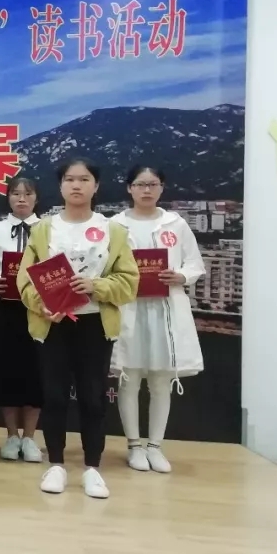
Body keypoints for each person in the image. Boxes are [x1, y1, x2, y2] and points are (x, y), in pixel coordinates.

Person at [18, 158, 139, 499]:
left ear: (95, 186)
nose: (76, 185)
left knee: (93, 398)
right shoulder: (43, 229)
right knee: (54, 396)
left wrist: (96, 286)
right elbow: (25, 279)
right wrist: (40, 304)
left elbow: (129, 282)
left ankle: (92, 468)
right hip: (53, 324)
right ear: (60, 186)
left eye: (84, 179)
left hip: (94, 324)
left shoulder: (114, 230)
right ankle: (56, 464)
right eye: (70, 179)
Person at [112, 165, 204, 474]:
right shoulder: (116, 225)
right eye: (140, 184)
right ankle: (134, 446)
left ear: (162, 188)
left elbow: (195, 263)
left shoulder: (175, 223)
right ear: (129, 188)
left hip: (165, 308)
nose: (146, 190)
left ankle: (155, 446)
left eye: (153, 184)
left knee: (161, 381)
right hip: (129, 309)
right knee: (129, 378)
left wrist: (181, 276)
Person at [0, 177, 44, 463]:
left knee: (36, 370)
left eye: (27, 194)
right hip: (3, 306)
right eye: (15, 193)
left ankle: (30, 437)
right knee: (5, 369)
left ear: (36, 198)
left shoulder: (48, 229)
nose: (21, 199)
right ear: (8, 197)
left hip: (38, 308)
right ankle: (11, 435)